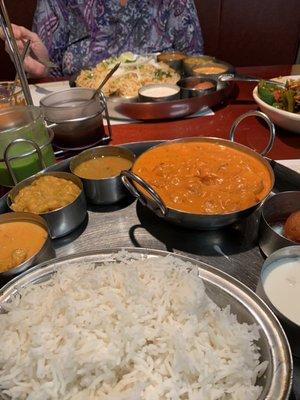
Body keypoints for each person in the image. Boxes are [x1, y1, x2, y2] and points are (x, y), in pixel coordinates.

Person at [1, 0, 203, 78]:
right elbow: (49, 73)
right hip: (84, 123)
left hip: (160, 119)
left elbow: (195, 72)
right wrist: (41, 68)